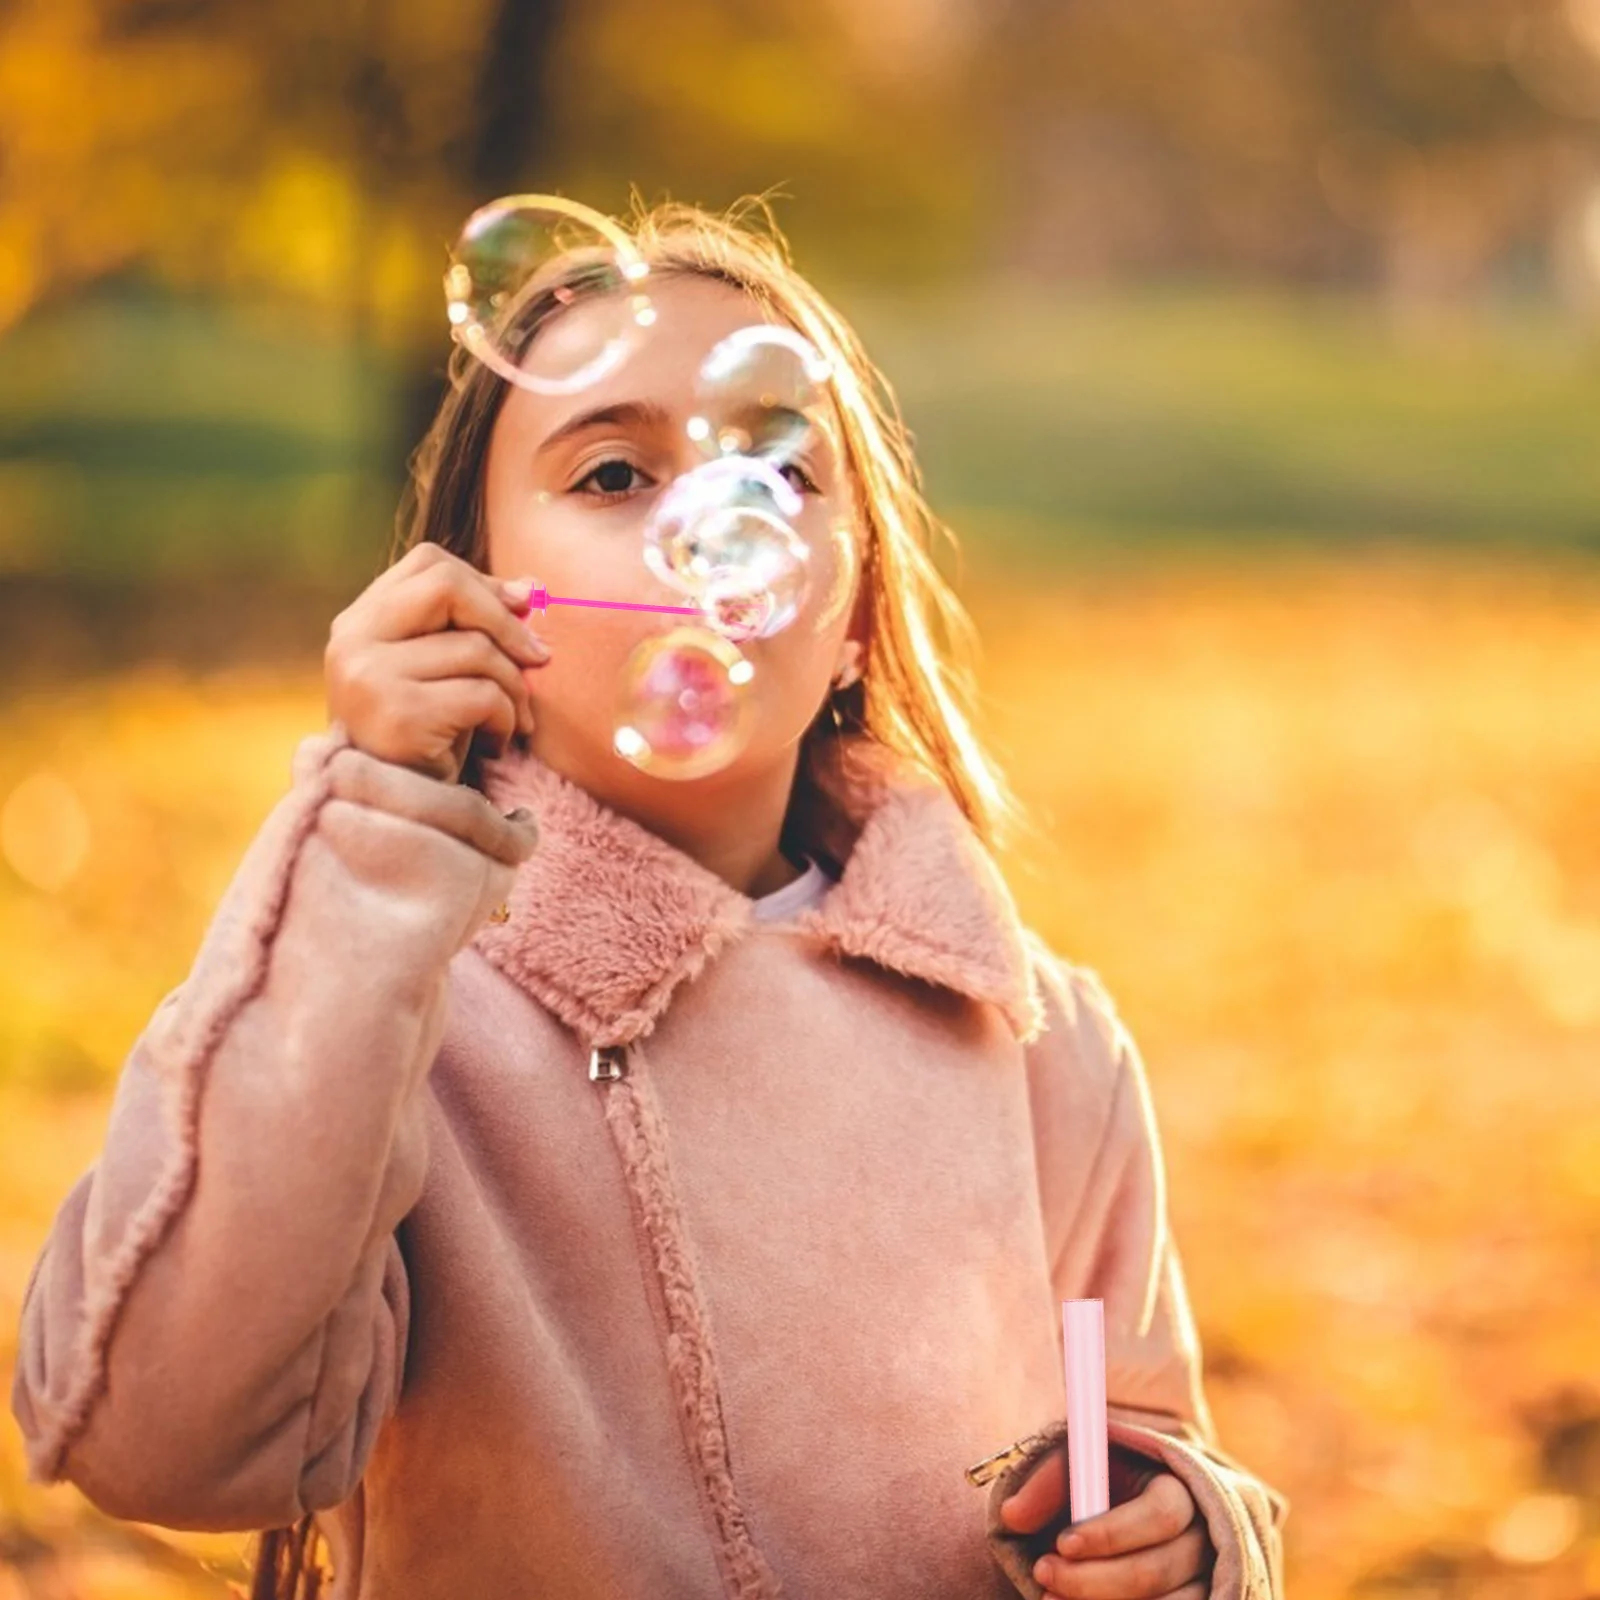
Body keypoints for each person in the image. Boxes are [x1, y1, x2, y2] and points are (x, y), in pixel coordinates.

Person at [9, 198, 1289, 1600]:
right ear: (482, 606)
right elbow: (160, 1441)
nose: (708, 524)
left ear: (854, 615)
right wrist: (367, 836)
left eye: (778, 476)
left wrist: (1181, 1528)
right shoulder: (392, 1023)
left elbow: (1146, 1431)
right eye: (615, 474)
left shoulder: (1041, 1047)